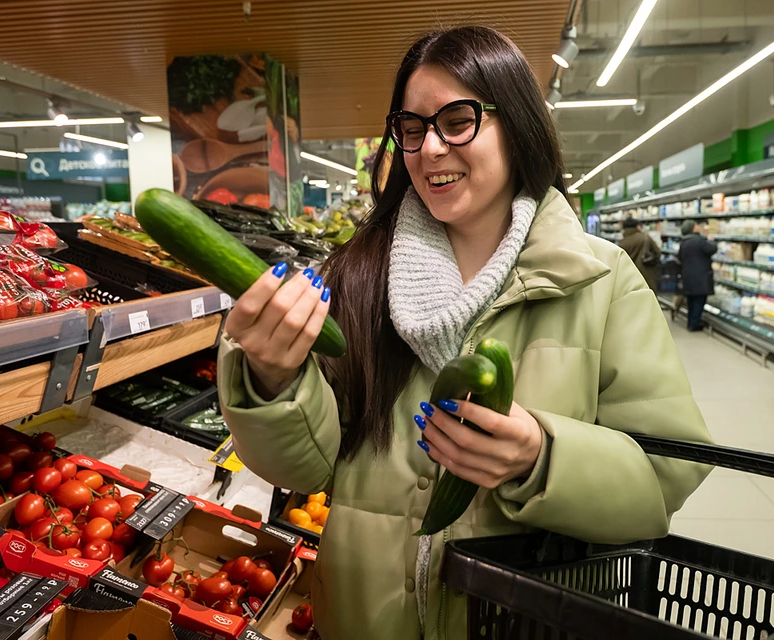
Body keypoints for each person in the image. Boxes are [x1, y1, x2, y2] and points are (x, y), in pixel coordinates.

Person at [217, 26, 712, 640]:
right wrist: (272, 381)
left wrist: (542, 458)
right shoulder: (354, 276)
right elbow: (309, 469)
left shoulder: (602, 281)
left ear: (518, 124)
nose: (429, 149)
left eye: (457, 120)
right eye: (414, 128)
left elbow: (666, 476)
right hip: (366, 615)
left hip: (524, 621)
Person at [678, 220, 718, 332]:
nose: (698, 227)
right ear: (693, 228)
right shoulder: (699, 240)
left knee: (691, 300)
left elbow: (680, 257)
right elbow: (711, 249)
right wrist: (711, 241)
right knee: (699, 300)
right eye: (696, 225)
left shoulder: (684, 242)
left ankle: (691, 321)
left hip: (687, 275)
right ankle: (695, 324)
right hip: (700, 277)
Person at [618, 216, 661, 290]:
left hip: (628, 280)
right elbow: (657, 252)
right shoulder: (645, 238)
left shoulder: (622, 243)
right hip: (646, 276)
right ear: (637, 227)